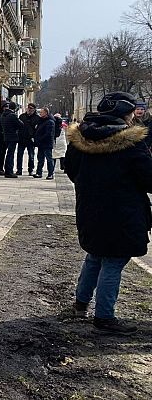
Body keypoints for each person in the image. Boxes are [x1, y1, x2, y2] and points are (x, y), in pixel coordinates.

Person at [66, 92, 152, 335]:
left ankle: (80, 304)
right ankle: (104, 317)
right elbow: (149, 180)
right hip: (123, 213)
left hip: (89, 208)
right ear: (126, 114)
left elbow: (71, 171)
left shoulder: (80, 138)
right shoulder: (132, 143)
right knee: (113, 262)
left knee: (95, 255)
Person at [17, 103, 40, 176]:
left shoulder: (37, 118)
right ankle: (19, 170)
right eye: (28, 108)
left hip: (31, 139)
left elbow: (38, 129)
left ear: (34, 109)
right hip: (22, 138)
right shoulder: (22, 116)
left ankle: (30, 170)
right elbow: (18, 126)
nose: (29, 110)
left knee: (31, 155)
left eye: (31, 108)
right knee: (19, 155)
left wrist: (34, 137)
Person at [0, 101, 22, 178]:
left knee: (7, 154)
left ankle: (7, 170)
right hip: (13, 136)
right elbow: (21, 124)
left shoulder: (3, 115)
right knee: (10, 154)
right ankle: (9, 171)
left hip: (6, 136)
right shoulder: (12, 115)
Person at [33, 107, 56, 179]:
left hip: (47, 143)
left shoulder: (50, 122)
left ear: (46, 113)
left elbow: (48, 134)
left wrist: (40, 139)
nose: (40, 114)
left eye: (41, 112)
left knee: (49, 159)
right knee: (40, 159)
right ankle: (39, 172)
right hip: (41, 144)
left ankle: (50, 174)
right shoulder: (41, 121)